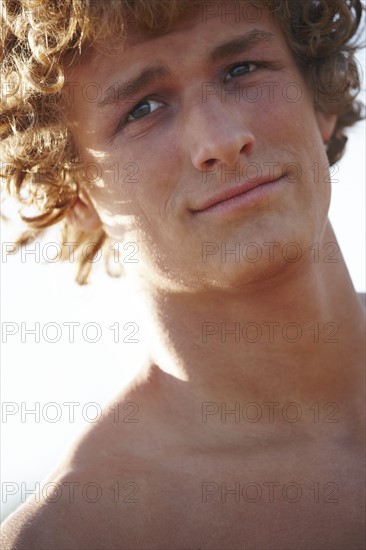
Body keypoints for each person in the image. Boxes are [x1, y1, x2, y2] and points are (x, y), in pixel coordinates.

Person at [1, 0, 365, 548]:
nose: (220, 139)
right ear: (72, 194)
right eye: (143, 109)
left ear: (318, 94)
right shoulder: (82, 533)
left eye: (241, 69)